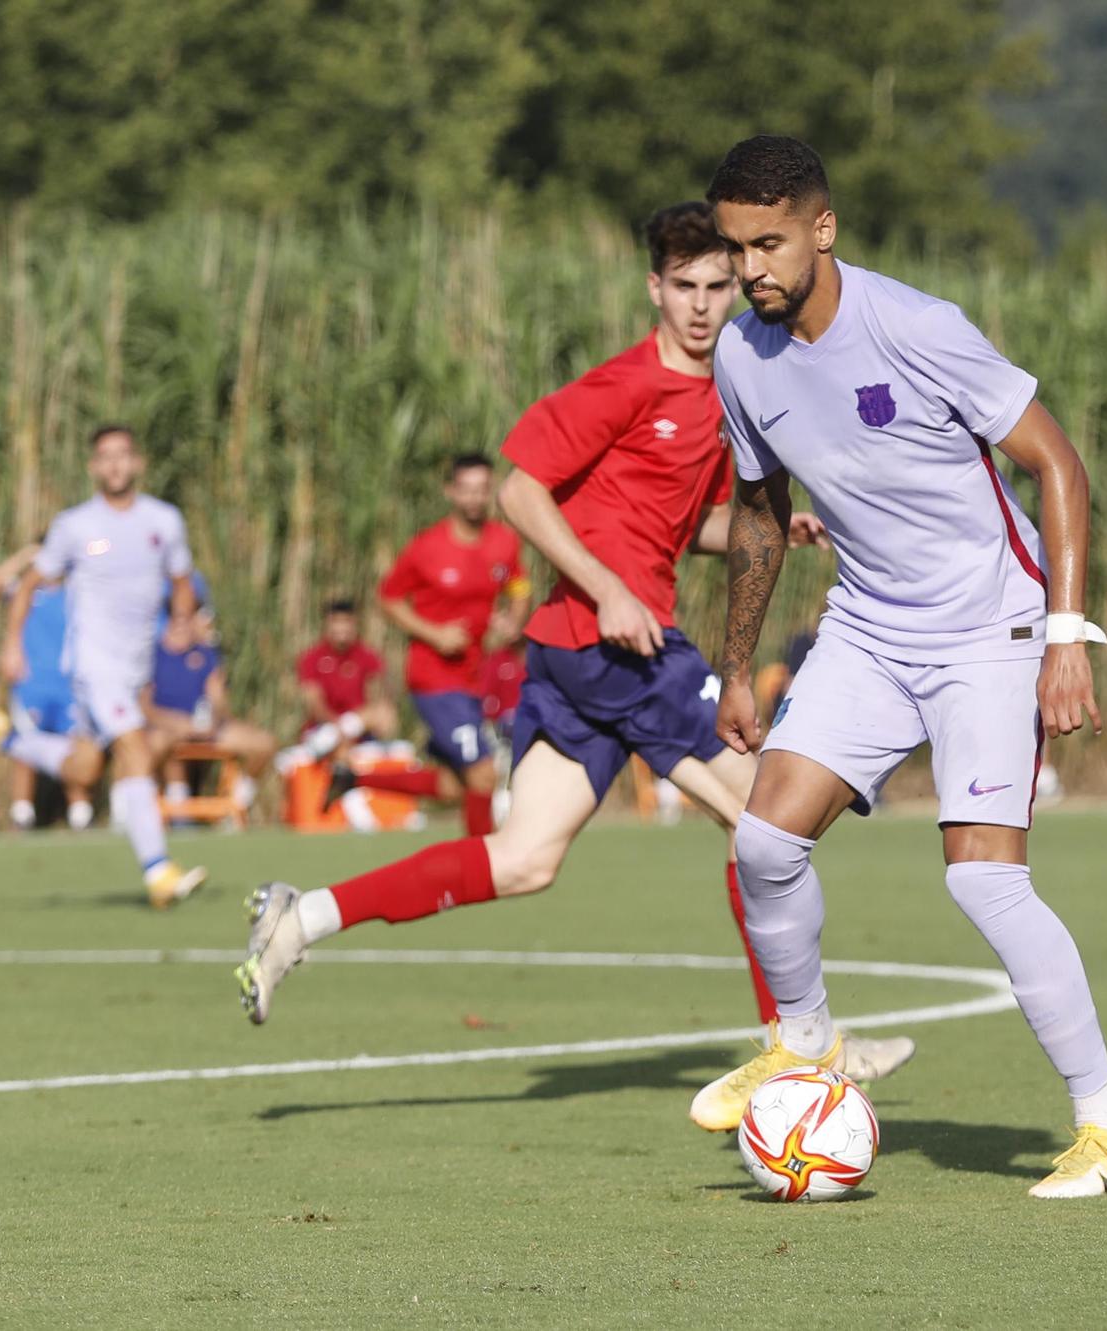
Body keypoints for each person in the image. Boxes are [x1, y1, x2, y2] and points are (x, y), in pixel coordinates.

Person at [234, 201, 915, 1108]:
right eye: (685, 288)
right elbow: (521, 492)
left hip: (571, 656)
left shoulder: (720, 392)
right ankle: (804, 1045)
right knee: (768, 819)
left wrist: (763, 525)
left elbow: (685, 522)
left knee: (523, 859)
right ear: (654, 290)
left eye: (719, 286)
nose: (705, 306)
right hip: (611, 648)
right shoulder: (625, 385)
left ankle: (301, 915)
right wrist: (606, 588)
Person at [704, 136, 1107, 1199]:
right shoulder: (738, 354)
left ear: (822, 228)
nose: (751, 269)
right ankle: (804, 1043)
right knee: (763, 842)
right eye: (734, 250)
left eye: (768, 243)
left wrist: (1063, 635)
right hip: (867, 625)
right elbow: (761, 512)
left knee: (983, 879)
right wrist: (736, 664)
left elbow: (1055, 463)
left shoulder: (914, 327)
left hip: (987, 625)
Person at [0, 426, 207, 907]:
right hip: (94, 664)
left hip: (137, 667)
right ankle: (158, 871)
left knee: (88, 767)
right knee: (134, 746)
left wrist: (182, 621)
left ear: (138, 463)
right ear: (93, 467)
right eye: (104, 457)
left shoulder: (164, 521)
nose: (114, 465)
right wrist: (13, 645)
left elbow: (181, 583)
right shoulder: (76, 526)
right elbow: (29, 584)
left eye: (123, 455)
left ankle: (14, 742)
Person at [322, 454, 530, 836]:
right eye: (465, 489)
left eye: (482, 490)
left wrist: (514, 619)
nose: (474, 498)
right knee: (484, 774)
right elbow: (388, 598)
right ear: (450, 491)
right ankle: (483, 864)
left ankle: (353, 781)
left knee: (454, 786)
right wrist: (434, 634)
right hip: (434, 680)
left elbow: (518, 585)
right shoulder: (428, 548)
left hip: (473, 680)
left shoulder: (504, 541)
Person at [144, 575, 275, 818]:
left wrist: (213, 720)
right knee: (150, 747)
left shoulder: (206, 653)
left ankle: (237, 802)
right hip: (166, 728)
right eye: (179, 617)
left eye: (191, 615)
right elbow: (145, 707)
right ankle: (150, 808)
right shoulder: (152, 654)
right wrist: (177, 724)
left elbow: (218, 697)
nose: (185, 623)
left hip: (206, 728)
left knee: (264, 744)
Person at [0, 542, 95, 829]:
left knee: (77, 747)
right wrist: (26, 555)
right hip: (31, 685)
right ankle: (22, 814)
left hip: (69, 687)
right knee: (26, 747)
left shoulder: (74, 592)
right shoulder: (25, 593)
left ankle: (80, 814)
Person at [294, 599, 395, 762]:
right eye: (336, 622)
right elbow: (314, 704)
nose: (342, 628)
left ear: (355, 624)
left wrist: (371, 717)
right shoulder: (311, 658)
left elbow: (381, 693)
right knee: (342, 751)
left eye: (346, 622)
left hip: (358, 728)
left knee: (384, 713)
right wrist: (336, 725)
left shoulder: (366, 655)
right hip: (324, 728)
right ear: (327, 624)